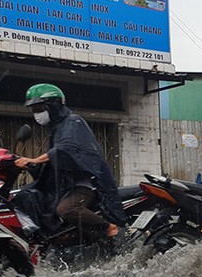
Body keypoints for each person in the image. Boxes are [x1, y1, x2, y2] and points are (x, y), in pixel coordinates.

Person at [13, 83, 127, 241]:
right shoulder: (57, 128)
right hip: (66, 185)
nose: (36, 114)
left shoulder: (73, 122)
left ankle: (108, 228)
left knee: (66, 209)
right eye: (33, 110)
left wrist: (35, 159)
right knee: (28, 197)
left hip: (84, 185)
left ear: (54, 105)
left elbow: (66, 149)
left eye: (39, 109)